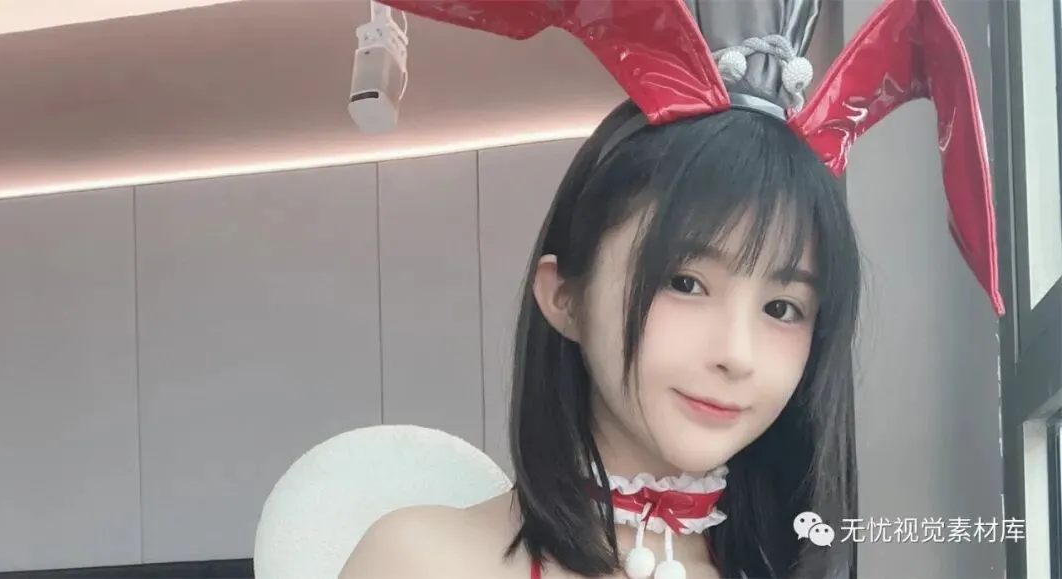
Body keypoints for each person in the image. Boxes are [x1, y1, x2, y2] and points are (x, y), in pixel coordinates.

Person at [338, 0, 1004, 577]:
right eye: (686, 282)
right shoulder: (419, 560)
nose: (737, 353)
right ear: (564, 295)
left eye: (782, 307)